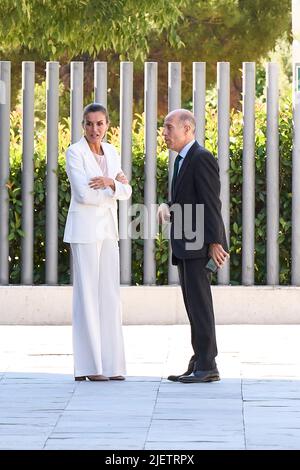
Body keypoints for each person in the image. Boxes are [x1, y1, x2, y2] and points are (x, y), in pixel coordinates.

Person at [158, 109, 229, 383]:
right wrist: (168, 209)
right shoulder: (180, 160)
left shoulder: (201, 158)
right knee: (192, 303)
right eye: (164, 128)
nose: (165, 133)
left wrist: (214, 242)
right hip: (185, 242)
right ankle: (199, 359)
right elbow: (189, 200)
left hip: (199, 244)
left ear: (188, 130)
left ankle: (208, 364)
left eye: (169, 127)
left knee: (200, 304)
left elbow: (212, 203)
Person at [63, 103, 132, 382]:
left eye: (100, 123)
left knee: (110, 296)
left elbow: (126, 191)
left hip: (107, 231)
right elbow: (83, 195)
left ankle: (112, 365)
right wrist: (112, 186)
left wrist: (110, 184)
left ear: (107, 125)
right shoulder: (74, 152)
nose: (95, 129)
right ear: (83, 125)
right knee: (87, 296)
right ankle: (88, 367)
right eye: (90, 124)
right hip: (84, 231)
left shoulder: (113, 152)